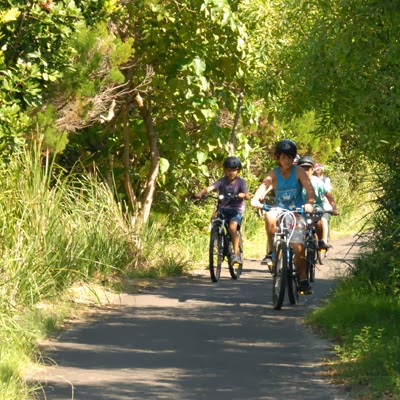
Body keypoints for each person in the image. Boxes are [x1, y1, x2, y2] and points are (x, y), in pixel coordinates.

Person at [251, 139, 316, 293]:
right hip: (279, 209)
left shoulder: (299, 172)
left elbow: (309, 188)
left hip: (296, 210)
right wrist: (255, 199)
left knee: (298, 246)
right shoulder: (273, 173)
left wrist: (310, 203)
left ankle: (302, 278)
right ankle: (271, 251)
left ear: (294, 159)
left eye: (289, 157)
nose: (286, 161)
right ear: (278, 158)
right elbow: (263, 187)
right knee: (269, 216)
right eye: (283, 157)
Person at [195, 156, 250, 266]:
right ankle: (216, 239)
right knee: (214, 217)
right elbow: (210, 188)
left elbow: (247, 195)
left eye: (234, 170)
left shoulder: (241, 182)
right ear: (225, 170)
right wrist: (200, 193)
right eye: (228, 170)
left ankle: (236, 254)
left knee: (232, 227)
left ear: (238, 170)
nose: (231, 173)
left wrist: (241, 195)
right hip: (223, 208)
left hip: (236, 210)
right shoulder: (222, 181)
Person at [297, 156, 339, 248]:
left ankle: (321, 241)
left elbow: (328, 195)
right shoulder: (295, 182)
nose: (305, 171)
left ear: (312, 170)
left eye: (308, 169)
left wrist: (334, 208)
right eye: (302, 169)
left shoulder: (317, 181)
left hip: (317, 207)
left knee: (319, 222)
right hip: (300, 208)